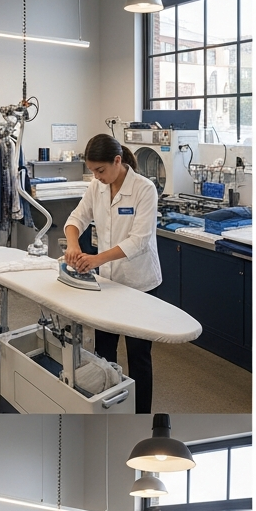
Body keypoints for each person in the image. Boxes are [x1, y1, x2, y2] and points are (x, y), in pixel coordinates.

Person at [63, 133, 162, 414]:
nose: (96, 176)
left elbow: (138, 240)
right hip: (107, 282)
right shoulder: (97, 187)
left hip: (139, 284)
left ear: (117, 161)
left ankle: (141, 414)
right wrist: (73, 245)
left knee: (138, 356)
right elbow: (77, 218)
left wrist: (94, 260)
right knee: (104, 354)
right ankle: (108, 409)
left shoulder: (144, 189)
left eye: (100, 170)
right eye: (92, 171)